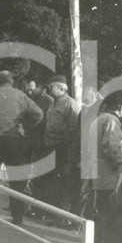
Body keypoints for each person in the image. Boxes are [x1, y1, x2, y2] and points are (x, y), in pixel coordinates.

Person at [0, 70, 43, 225]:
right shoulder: (21, 95)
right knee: (17, 181)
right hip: (15, 142)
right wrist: (24, 125)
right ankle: (17, 217)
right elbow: (38, 114)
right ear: (11, 81)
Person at [82, 94, 122, 243]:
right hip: (109, 175)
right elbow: (112, 146)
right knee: (112, 217)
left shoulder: (98, 119)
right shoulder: (111, 121)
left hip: (98, 174)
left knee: (100, 214)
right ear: (119, 106)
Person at [42, 75, 81, 212]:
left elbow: (74, 128)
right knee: (48, 180)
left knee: (59, 182)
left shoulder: (71, 104)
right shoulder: (54, 103)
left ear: (60, 88)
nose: (48, 89)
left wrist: (66, 145)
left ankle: (56, 211)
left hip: (62, 149)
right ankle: (47, 210)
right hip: (49, 146)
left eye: (50, 86)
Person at [23, 79, 53, 204]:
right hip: (27, 140)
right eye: (27, 89)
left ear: (39, 87)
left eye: (31, 88)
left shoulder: (48, 101)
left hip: (40, 142)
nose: (29, 91)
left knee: (37, 174)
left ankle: (35, 203)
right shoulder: (26, 98)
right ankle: (22, 201)